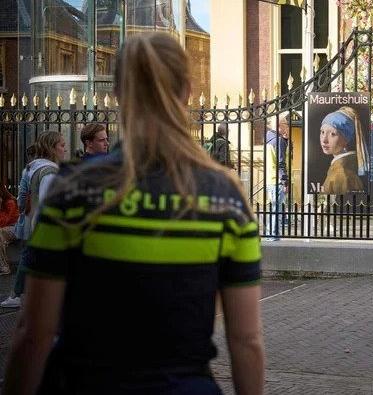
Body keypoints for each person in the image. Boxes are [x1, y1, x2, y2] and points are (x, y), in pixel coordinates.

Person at [3, 33, 265, 395]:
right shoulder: (227, 200)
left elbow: (33, 332)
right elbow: (246, 340)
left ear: (117, 95)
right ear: (188, 92)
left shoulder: (73, 190)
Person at [0, 134, 64, 309]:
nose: (65, 149)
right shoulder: (50, 172)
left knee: (29, 257)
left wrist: (23, 213)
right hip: (43, 225)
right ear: (52, 148)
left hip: (29, 222)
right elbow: (47, 203)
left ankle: (18, 294)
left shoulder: (31, 168)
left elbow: (21, 198)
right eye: (62, 145)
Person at [319, 106, 369, 195]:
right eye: (322, 132)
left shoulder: (342, 173)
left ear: (347, 138)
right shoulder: (342, 167)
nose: (324, 140)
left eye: (332, 134)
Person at [265, 114, 290, 240]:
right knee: (277, 210)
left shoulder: (269, 139)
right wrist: (285, 181)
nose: (287, 127)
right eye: (285, 124)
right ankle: (273, 236)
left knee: (274, 208)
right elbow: (281, 162)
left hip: (270, 179)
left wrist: (285, 140)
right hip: (277, 180)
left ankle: (271, 234)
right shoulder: (278, 140)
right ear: (279, 125)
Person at [0, 184, 19, 275]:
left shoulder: (10, 202)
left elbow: (5, 221)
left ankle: (4, 266)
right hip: (5, 228)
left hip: (14, 228)